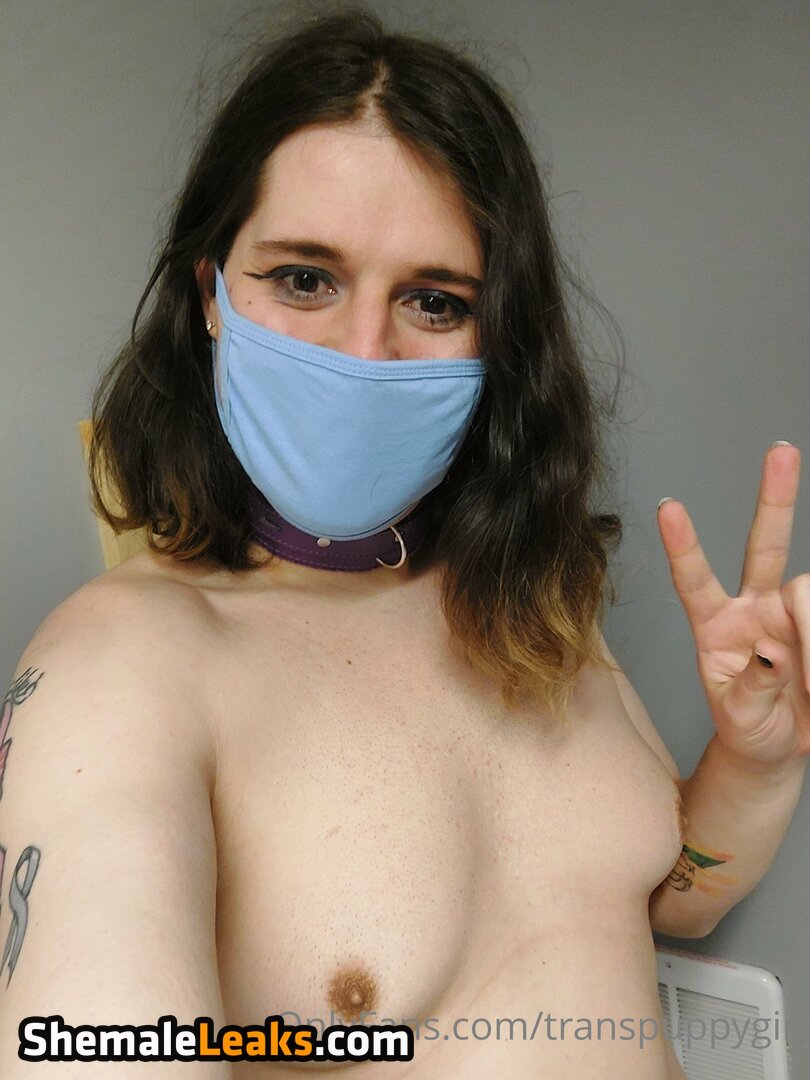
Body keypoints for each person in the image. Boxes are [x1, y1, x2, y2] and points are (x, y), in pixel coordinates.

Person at [0, 9, 807, 1078]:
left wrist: (756, 759)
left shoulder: (530, 596)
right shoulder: (119, 666)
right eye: (305, 278)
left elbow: (669, 902)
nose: (367, 353)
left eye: (434, 301)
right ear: (211, 297)